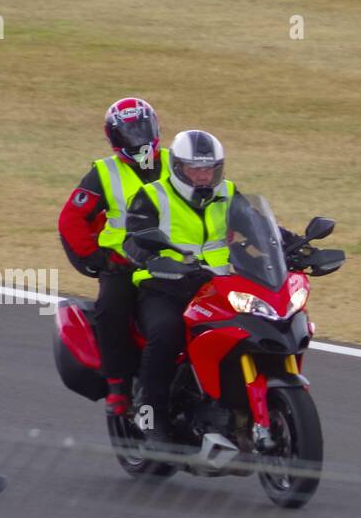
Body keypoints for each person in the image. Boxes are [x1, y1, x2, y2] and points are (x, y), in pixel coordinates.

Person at [122, 130, 301, 449]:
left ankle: (234, 407)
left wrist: (294, 245)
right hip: (165, 286)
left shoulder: (228, 193)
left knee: (256, 326)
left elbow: (259, 227)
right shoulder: (153, 195)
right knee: (167, 333)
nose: (204, 177)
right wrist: (154, 260)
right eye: (196, 169)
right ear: (178, 168)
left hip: (215, 285)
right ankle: (151, 418)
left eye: (210, 169)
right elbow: (132, 239)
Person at [57, 98, 169, 421]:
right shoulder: (104, 173)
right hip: (125, 264)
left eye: (141, 129)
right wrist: (98, 258)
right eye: (128, 133)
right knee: (111, 309)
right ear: (114, 139)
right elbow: (71, 219)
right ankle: (118, 386)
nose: (137, 138)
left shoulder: (179, 162)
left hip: (180, 259)